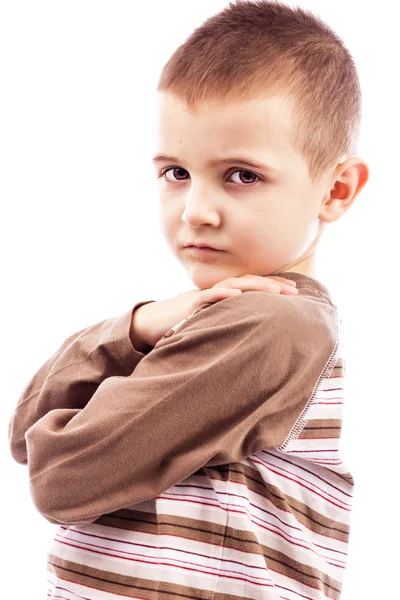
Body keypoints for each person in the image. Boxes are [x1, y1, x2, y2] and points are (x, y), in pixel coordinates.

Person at [8, 1, 369, 598]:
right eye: (176, 172)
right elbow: (24, 433)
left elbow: (59, 476)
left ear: (335, 189)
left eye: (242, 175)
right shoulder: (212, 317)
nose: (196, 211)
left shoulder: (273, 325)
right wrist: (141, 325)